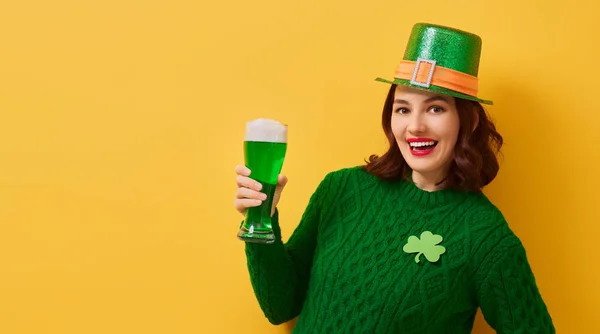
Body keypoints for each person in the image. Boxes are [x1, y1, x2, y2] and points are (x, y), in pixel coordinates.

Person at [233, 23, 555, 333]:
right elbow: (280, 306)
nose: (414, 126)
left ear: (467, 121)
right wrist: (264, 220)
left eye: (435, 109)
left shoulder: (485, 236)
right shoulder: (342, 188)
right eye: (403, 109)